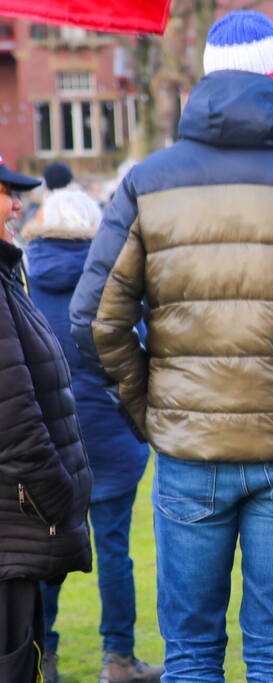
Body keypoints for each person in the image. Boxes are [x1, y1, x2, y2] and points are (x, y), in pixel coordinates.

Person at [69, 11, 273, 679]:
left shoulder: (147, 181)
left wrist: (152, 411)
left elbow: (95, 321)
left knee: (191, 655)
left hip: (192, 450)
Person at [23, 183, 161, 682]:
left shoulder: (19, 281)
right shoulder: (111, 279)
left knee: (45, 553)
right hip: (111, 437)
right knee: (115, 550)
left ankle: (46, 653)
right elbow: (138, 354)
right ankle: (118, 658)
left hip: (45, 444)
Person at [0, 160, 92, 682]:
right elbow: (13, 417)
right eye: (7, 193)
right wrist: (57, 499)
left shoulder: (10, 275)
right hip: (13, 526)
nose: (19, 205)